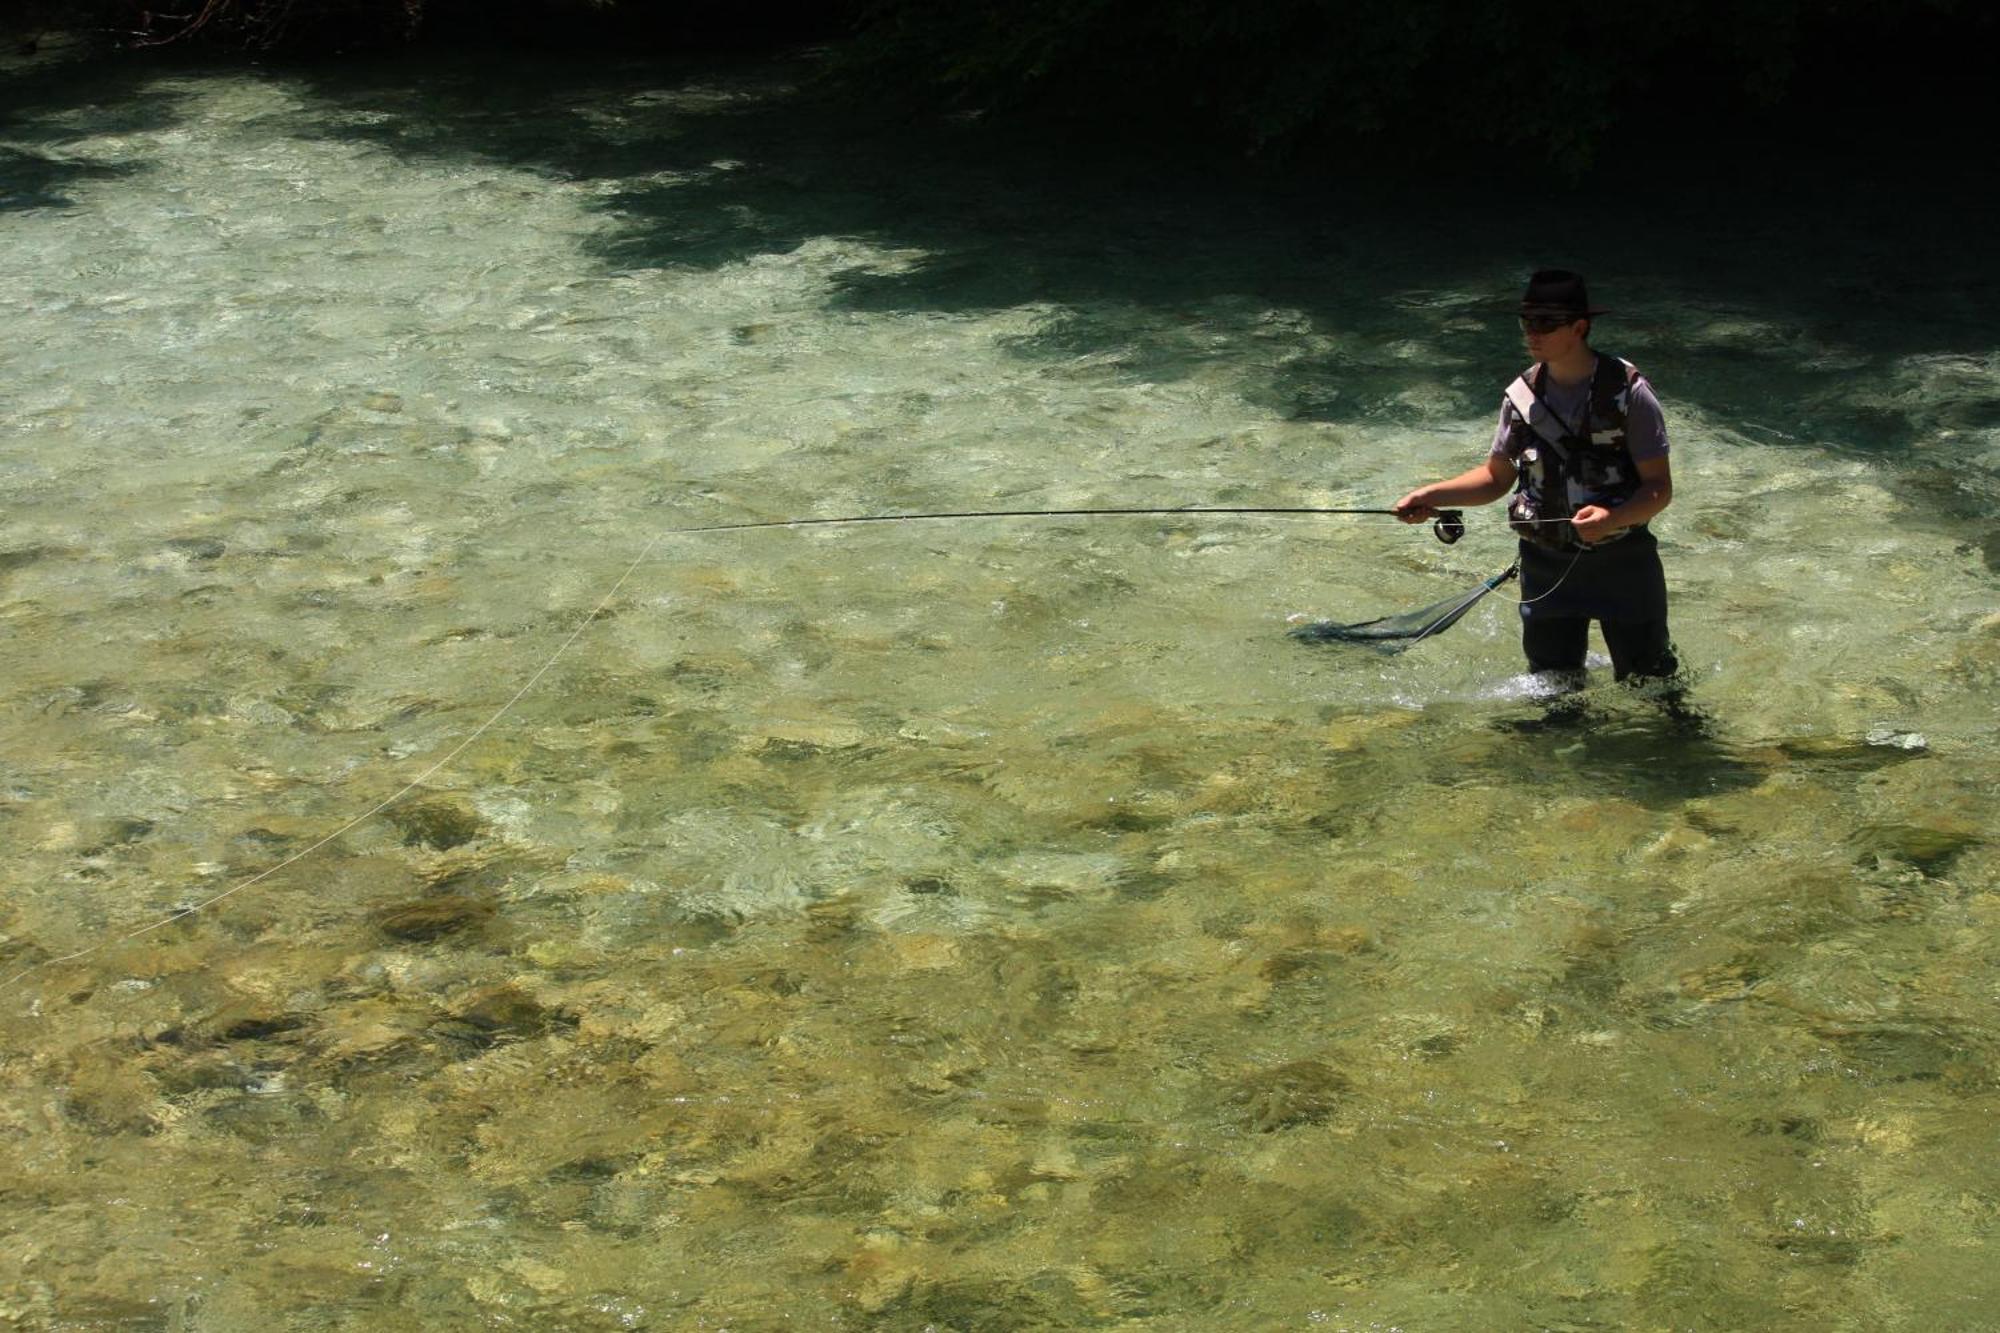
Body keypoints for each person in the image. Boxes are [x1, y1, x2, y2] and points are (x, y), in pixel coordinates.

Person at [1394, 270, 1679, 685]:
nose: (1533, 333)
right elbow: (1495, 479)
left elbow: (1659, 488)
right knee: (1553, 694)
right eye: (1527, 322)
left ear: (1579, 327)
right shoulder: (1521, 398)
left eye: (1546, 323)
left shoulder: (1629, 392)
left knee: (1652, 687)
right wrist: (1429, 493)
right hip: (1545, 570)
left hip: (1625, 567)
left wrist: (1613, 520)